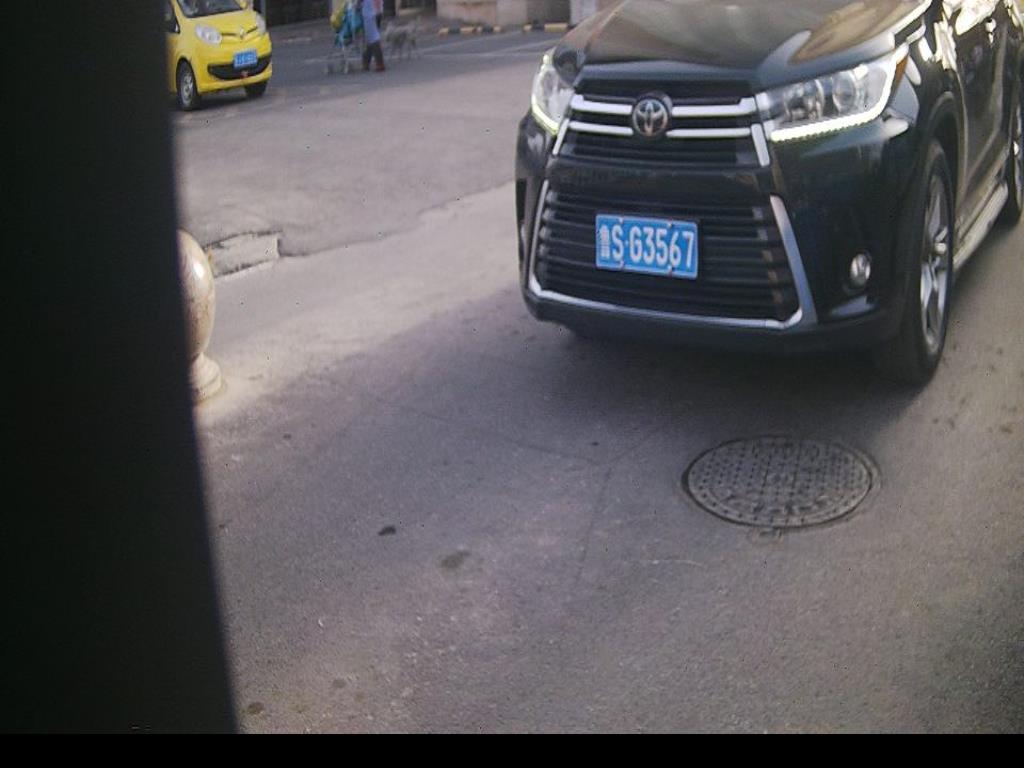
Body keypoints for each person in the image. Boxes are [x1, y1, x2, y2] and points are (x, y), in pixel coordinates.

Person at [361, 0, 385, 72]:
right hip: (376, 11)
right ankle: (366, 62)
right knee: (370, 38)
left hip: (370, 13)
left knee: (373, 38)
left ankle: (379, 63)